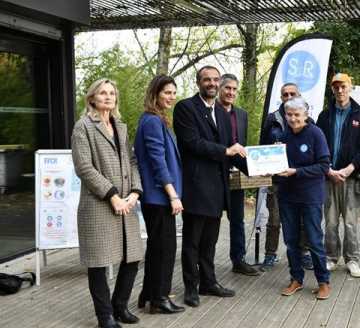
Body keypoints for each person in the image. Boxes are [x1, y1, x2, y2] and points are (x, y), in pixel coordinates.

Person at [173, 66, 247, 308]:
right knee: (192, 243)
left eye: (216, 80)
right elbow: (192, 143)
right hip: (195, 186)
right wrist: (227, 150)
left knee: (210, 242)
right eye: (207, 80)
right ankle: (191, 288)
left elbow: (231, 152)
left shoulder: (223, 114)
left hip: (217, 188)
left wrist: (257, 167)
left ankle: (209, 282)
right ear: (198, 82)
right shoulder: (185, 108)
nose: (212, 84)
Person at [71, 79, 143, 328]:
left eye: (112, 93)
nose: (108, 97)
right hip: (99, 205)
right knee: (98, 263)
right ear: (92, 98)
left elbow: (132, 161)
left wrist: (135, 192)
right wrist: (112, 195)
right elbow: (84, 167)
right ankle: (105, 316)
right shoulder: (83, 127)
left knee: (132, 258)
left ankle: (119, 306)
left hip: (127, 204)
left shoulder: (120, 126)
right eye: (103, 93)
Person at [134, 74, 185, 314]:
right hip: (158, 196)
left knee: (157, 246)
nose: (171, 97)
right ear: (155, 93)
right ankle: (160, 297)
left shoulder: (156, 118)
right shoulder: (153, 120)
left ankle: (149, 292)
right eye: (167, 93)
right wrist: (173, 195)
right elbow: (157, 161)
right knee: (165, 248)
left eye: (174, 93)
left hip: (158, 197)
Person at [316, 73, 360, 278]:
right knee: (330, 222)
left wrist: (350, 168)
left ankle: (352, 259)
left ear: (351, 87)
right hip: (328, 176)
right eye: (336, 87)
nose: (340, 90)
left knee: (350, 222)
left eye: (344, 86)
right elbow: (317, 145)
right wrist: (328, 169)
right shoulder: (325, 115)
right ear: (332, 89)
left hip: (351, 177)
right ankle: (331, 257)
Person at [276, 97, 331, 300]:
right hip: (287, 196)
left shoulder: (316, 134)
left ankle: (323, 281)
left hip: (310, 196)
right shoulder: (283, 136)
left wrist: (296, 172)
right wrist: (269, 170)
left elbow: (324, 166)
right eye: (289, 115)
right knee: (291, 240)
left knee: (314, 240)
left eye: (296, 115)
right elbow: (278, 166)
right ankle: (296, 278)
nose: (292, 119)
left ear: (306, 115)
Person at [259, 83, 313, 272]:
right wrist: (263, 167)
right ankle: (270, 255)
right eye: (285, 94)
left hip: (299, 180)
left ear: (299, 96)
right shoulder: (272, 119)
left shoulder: (309, 120)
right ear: (281, 97)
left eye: (292, 94)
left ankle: (305, 253)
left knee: (301, 220)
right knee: (274, 220)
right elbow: (263, 147)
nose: (288, 97)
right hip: (277, 180)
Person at [216, 73, 260, 276]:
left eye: (234, 89)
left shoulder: (241, 114)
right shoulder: (210, 111)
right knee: (209, 220)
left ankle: (238, 259)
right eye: (228, 88)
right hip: (213, 173)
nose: (231, 92)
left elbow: (242, 147)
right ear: (219, 88)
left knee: (238, 219)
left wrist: (258, 169)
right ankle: (201, 262)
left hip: (236, 173)